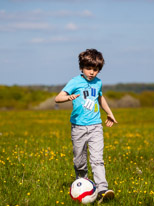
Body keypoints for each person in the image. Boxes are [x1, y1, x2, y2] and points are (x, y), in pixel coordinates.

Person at [55, 49, 117, 204]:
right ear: (81, 67)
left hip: (96, 126)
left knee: (97, 160)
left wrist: (109, 113)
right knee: (80, 161)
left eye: (95, 70)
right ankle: (83, 187)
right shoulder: (75, 82)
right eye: (89, 69)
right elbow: (58, 98)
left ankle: (102, 189)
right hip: (78, 128)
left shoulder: (98, 82)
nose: (92, 73)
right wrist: (68, 97)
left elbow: (100, 98)